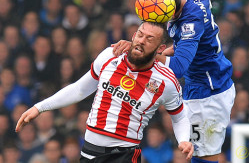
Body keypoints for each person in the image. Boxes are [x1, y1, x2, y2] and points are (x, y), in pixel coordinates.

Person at [15, 21, 194, 163]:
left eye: (149, 39)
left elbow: (179, 117)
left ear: (160, 49)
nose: (141, 40)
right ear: (133, 35)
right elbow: (79, 89)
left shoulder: (166, 81)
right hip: (89, 151)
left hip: (123, 155)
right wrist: (40, 107)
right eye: (140, 34)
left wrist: (184, 140)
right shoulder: (111, 55)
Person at [113, 0, 236, 163]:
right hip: (199, 84)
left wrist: (140, 51)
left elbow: (178, 68)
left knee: (203, 158)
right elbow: (190, 43)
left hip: (209, 94)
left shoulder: (190, 24)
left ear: (170, 13)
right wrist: (171, 49)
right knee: (193, 154)